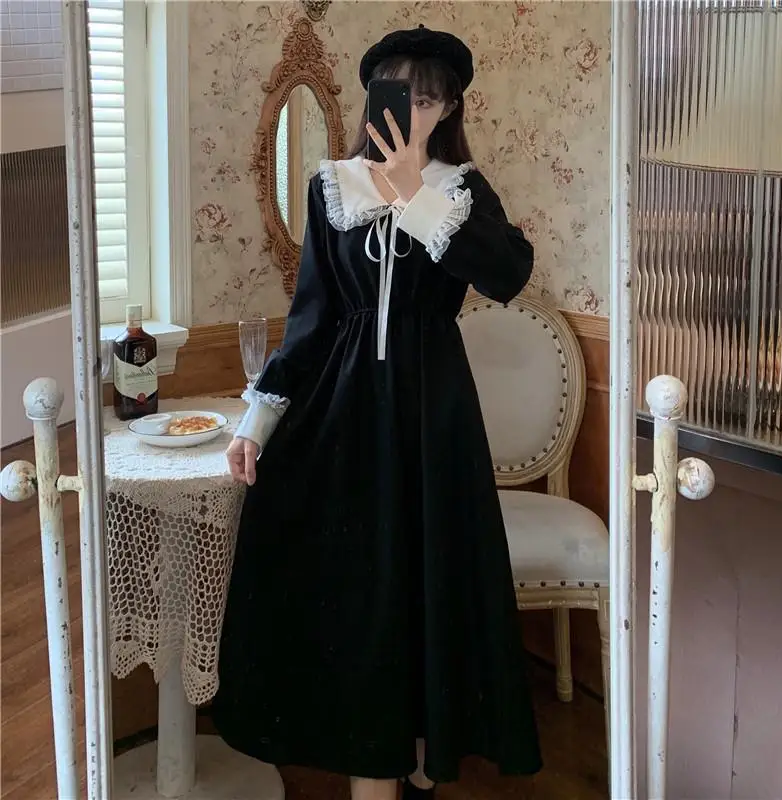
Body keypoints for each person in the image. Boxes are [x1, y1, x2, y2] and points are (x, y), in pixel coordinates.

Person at [213, 25, 542, 800]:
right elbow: (311, 321)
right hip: (345, 415)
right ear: (372, 100)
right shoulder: (332, 187)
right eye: (397, 94)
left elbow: (507, 275)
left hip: (434, 417)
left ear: (450, 107)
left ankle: (423, 738)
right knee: (361, 588)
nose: (410, 110)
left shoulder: (460, 190)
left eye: (427, 98)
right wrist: (256, 422)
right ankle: (374, 749)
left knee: (428, 579)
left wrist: (415, 195)